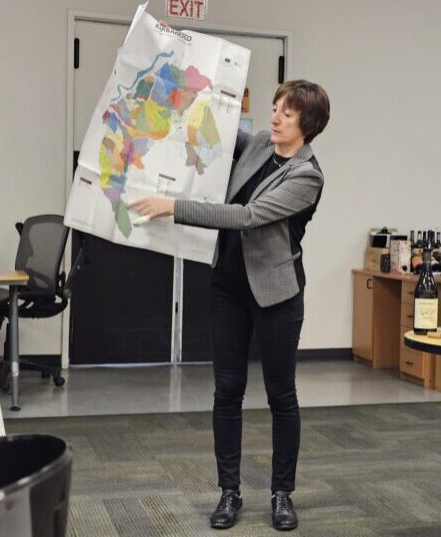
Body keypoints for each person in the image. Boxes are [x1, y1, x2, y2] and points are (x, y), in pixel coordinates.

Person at [130, 80, 330, 531]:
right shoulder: (259, 144)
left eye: (288, 113)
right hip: (228, 285)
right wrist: (185, 90)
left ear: (308, 124)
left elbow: (248, 217)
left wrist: (172, 206)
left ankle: (282, 494)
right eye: (275, 107)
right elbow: (217, 131)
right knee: (227, 392)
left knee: (281, 395)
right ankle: (229, 492)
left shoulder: (307, 175)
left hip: (277, 291)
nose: (275, 117)